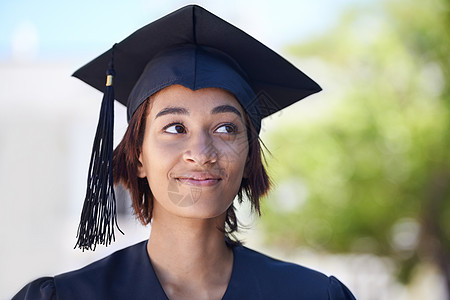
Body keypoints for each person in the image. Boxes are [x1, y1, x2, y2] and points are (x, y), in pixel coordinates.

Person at [13, 5, 356, 300]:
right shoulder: (69, 297)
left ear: (250, 157)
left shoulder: (310, 295)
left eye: (226, 128)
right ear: (138, 157)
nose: (201, 153)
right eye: (175, 128)